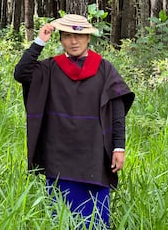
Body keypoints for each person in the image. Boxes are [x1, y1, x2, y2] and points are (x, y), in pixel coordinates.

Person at [14, 14, 134, 228]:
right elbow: (21, 73)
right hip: (59, 154)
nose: (74, 41)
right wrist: (40, 40)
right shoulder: (50, 68)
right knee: (60, 216)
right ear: (60, 40)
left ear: (89, 38)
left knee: (95, 218)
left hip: (94, 154)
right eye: (67, 36)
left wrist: (118, 147)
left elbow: (117, 113)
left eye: (79, 36)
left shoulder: (105, 69)